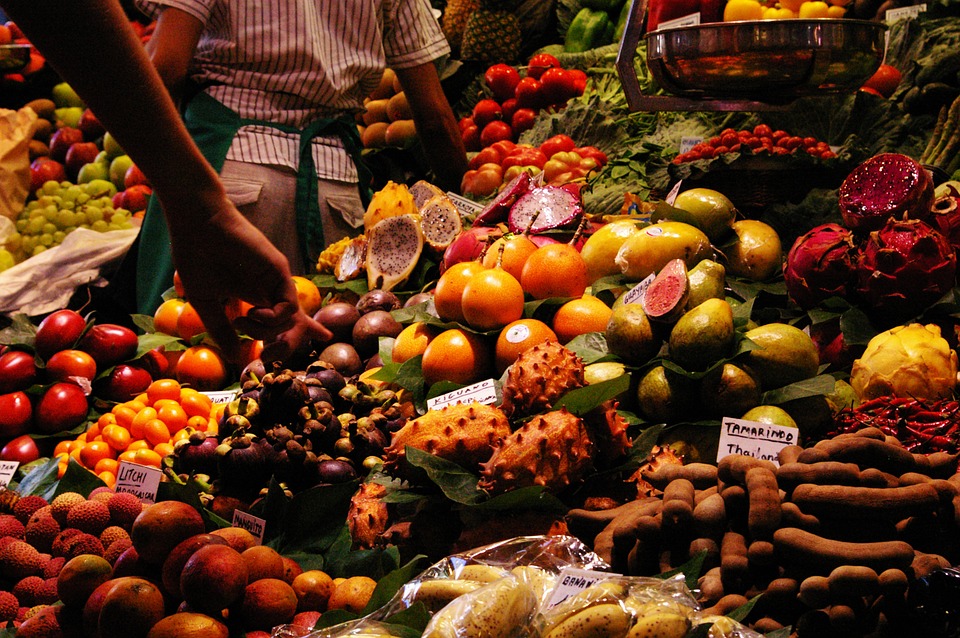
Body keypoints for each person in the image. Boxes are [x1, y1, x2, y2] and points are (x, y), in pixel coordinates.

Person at [0, 0, 332, 364]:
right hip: (331, 172)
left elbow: (164, 62)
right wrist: (200, 205)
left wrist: (201, 204)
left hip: (229, 158)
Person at [132, 0, 469, 314]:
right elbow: (434, 118)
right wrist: (469, 216)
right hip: (336, 193)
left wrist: (166, 171)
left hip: (229, 175)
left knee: (195, 354)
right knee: (322, 367)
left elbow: (163, 68)